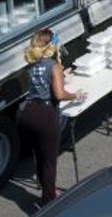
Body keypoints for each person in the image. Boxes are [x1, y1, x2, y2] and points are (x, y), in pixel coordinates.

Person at [17, 28, 85, 207]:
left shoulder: (32, 64)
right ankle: (49, 202)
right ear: (52, 45)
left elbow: (41, 83)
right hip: (45, 115)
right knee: (50, 162)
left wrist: (62, 77)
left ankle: (47, 191)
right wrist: (75, 95)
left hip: (28, 113)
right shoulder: (53, 65)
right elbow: (60, 94)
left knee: (39, 157)